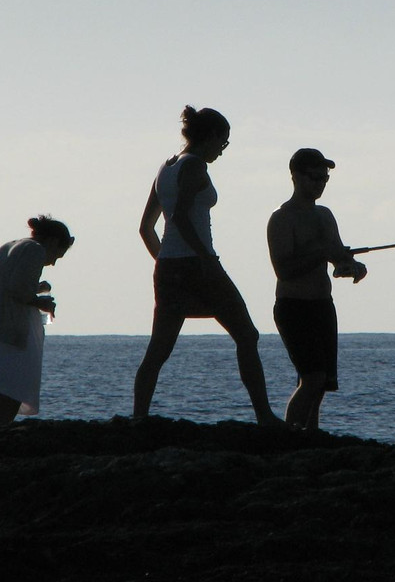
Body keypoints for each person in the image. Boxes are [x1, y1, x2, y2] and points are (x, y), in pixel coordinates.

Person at [135, 106, 283, 426]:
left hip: (167, 266)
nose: (222, 149)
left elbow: (146, 228)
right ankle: (265, 416)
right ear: (212, 136)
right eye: (224, 142)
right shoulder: (195, 166)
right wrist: (205, 259)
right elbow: (181, 217)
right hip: (197, 265)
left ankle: (138, 418)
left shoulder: (166, 167)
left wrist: (164, 260)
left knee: (158, 350)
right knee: (247, 335)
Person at [267, 148, 367, 430]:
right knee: (311, 380)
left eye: (324, 179)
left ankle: (310, 436)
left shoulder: (325, 215)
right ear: (296, 177)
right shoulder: (281, 218)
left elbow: (338, 258)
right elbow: (284, 270)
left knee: (321, 383)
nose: (320, 184)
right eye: (314, 178)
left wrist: (353, 266)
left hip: (323, 305)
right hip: (293, 307)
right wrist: (320, 252)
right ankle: (290, 440)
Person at [0, 215, 75, 428]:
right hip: (4, 338)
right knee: (7, 404)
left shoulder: (10, 246)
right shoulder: (35, 250)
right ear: (53, 242)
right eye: (57, 255)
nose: (52, 262)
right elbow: (16, 291)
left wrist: (35, 289)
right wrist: (41, 302)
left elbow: (5, 288)